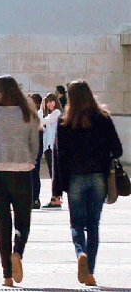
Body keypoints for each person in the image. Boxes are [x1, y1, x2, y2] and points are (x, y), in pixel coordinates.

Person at [52, 80, 122, 287]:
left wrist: (56, 189)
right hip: (99, 177)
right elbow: (117, 149)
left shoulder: (65, 121)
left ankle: (80, 253)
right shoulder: (103, 118)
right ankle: (90, 272)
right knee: (93, 226)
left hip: (75, 178)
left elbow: (58, 157)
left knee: (76, 224)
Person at [0, 75, 39, 287]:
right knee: (23, 221)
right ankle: (18, 252)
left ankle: (7, 275)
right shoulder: (28, 114)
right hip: (23, 172)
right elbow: (35, 144)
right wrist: (29, 160)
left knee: (3, 225)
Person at [39, 93, 63, 209]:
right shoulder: (50, 115)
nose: (49, 104)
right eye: (47, 102)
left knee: (54, 176)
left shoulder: (57, 113)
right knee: (52, 175)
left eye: (51, 101)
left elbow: (42, 121)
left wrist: (40, 108)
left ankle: (56, 200)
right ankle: (55, 199)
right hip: (48, 147)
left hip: (54, 147)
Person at [27, 93, 43, 209]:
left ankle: (35, 198)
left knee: (34, 173)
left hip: (36, 146)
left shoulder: (38, 115)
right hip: (28, 147)